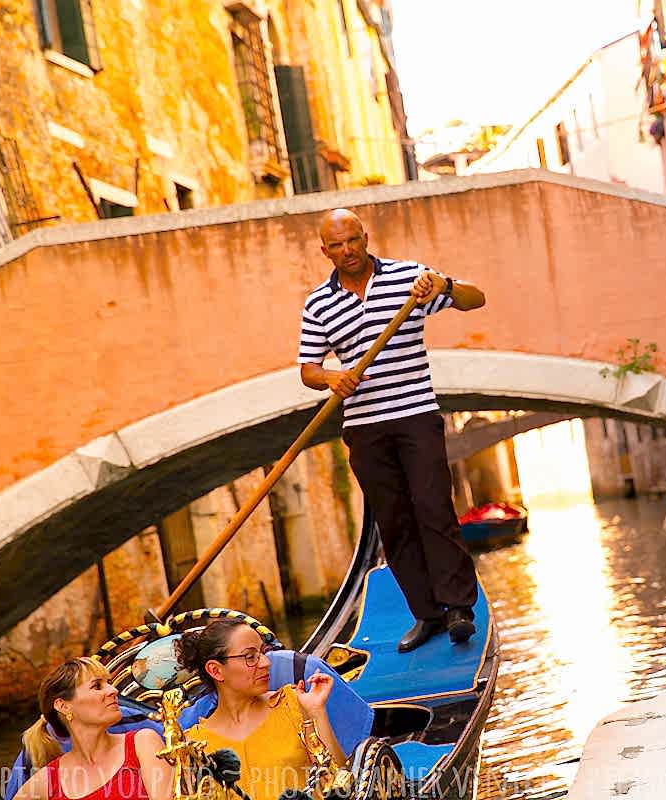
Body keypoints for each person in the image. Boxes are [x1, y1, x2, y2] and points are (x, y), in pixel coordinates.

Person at [299, 208, 487, 652]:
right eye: (337, 245)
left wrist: (444, 286)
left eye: (353, 241)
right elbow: (308, 368)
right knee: (395, 523)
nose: (347, 251)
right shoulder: (318, 303)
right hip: (364, 427)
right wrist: (331, 378)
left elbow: (474, 299)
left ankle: (459, 608)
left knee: (433, 508)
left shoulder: (410, 279)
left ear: (366, 238)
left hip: (416, 414)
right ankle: (428, 615)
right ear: (325, 251)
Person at [177, 619, 340, 800]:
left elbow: (341, 782)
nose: (266, 663)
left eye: (263, 652)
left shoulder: (292, 703)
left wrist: (317, 712)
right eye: (250, 657)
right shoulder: (195, 744)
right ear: (216, 671)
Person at [16, 657, 172, 800]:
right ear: (63, 706)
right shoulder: (46, 781)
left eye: (108, 683)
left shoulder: (143, 743)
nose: (113, 690)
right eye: (97, 686)